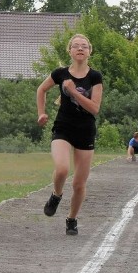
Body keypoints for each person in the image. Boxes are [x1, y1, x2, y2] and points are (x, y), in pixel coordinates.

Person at [36, 33, 103, 236]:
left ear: (90, 51)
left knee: (79, 184)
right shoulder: (60, 73)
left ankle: (72, 219)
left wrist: (73, 92)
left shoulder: (95, 77)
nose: (80, 49)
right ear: (70, 51)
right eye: (76, 46)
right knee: (63, 169)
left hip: (85, 131)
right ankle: (56, 195)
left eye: (84, 46)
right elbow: (41, 90)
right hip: (63, 127)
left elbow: (94, 109)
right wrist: (41, 112)